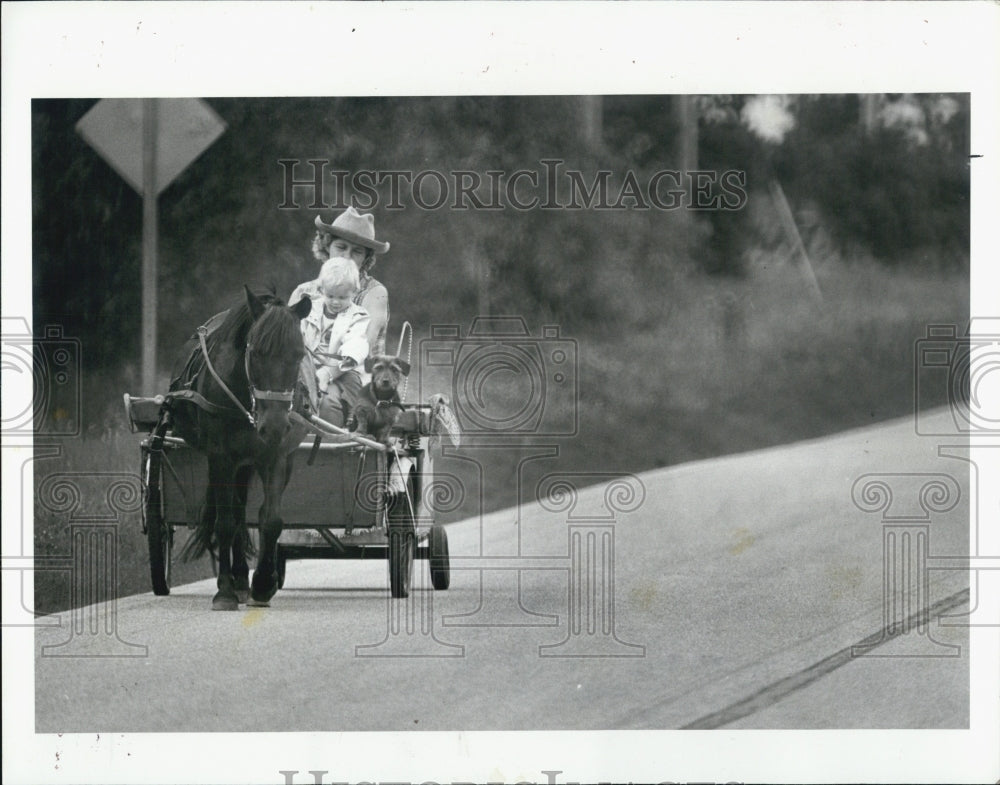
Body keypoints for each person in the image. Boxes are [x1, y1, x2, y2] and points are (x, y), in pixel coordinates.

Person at [290, 206, 391, 379]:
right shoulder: (303, 292)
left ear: (366, 258)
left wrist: (324, 375)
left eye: (357, 251)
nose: (347, 256)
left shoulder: (375, 293)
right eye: (341, 247)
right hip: (305, 381)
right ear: (327, 245)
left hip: (355, 382)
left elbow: (362, 349)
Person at [298, 257, 370, 426]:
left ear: (355, 292)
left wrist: (326, 373)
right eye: (330, 296)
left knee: (330, 400)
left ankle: (343, 429)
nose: (335, 302)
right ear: (321, 290)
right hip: (308, 367)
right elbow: (298, 333)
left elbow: (354, 346)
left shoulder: (358, 317)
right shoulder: (310, 309)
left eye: (343, 297)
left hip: (341, 371)